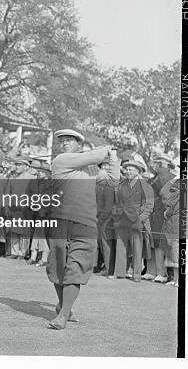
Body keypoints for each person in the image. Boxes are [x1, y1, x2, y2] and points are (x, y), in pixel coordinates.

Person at [46, 129, 114, 330]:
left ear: (79, 145)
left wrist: (115, 158)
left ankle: (64, 315)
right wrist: (108, 150)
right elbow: (98, 155)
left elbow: (112, 178)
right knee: (57, 268)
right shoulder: (61, 160)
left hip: (85, 224)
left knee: (75, 268)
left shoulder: (92, 171)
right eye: (63, 140)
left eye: (70, 140)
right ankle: (63, 306)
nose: (65, 143)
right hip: (60, 221)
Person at [111, 159, 154, 282]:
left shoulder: (145, 185)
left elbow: (149, 205)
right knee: (121, 245)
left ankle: (136, 274)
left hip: (137, 219)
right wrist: (116, 215)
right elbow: (117, 202)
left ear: (138, 171)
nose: (127, 171)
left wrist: (141, 220)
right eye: (126, 169)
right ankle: (120, 272)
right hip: (121, 219)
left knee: (137, 247)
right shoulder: (122, 184)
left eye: (131, 169)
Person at [144, 155, 176, 282]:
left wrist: (163, 170)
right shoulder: (154, 177)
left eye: (159, 162)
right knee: (150, 242)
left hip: (161, 213)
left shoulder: (170, 177)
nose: (156, 164)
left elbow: (164, 190)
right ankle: (151, 271)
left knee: (159, 243)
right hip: (151, 212)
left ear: (167, 164)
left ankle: (162, 273)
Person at [95, 155, 121, 276]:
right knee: (103, 244)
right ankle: (106, 267)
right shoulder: (99, 185)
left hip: (107, 219)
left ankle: (109, 268)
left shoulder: (109, 185)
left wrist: (102, 217)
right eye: (102, 166)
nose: (103, 169)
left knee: (107, 244)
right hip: (101, 218)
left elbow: (108, 205)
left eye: (106, 166)